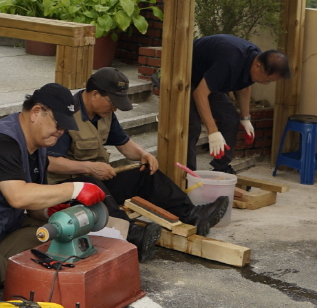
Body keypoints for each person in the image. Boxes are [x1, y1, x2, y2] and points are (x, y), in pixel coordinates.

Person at [0, 83, 106, 285]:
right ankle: (19, 278)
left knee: (59, 231)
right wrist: (76, 189)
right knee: (9, 268)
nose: (61, 132)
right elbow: (18, 196)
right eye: (58, 125)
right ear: (36, 112)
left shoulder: (39, 145)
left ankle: (15, 270)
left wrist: (52, 211)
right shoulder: (2, 142)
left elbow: (32, 210)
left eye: (65, 128)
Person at [47, 67, 230, 247]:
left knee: (146, 172)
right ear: (95, 94)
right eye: (112, 103)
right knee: (90, 183)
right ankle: (131, 233)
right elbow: (51, 163)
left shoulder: (105, 114)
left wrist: (143, 154)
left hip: (98, 179)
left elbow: (124, 143)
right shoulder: (67, 115)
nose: (114, 109)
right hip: (66, 190)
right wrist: (89, 168)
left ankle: (192, 215)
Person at [188, 35, 291, 173]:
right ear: (258, 66)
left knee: (230, 119)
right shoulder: (230, 60)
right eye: (266, 80)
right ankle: (186, 173)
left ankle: (221, 167)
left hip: (207, 80)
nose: (265, 83)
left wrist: (245, 118)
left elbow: (245, 86)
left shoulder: (255, 57)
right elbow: (200, 94)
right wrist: (213, 131)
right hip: (185, 76)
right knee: (192, 126)